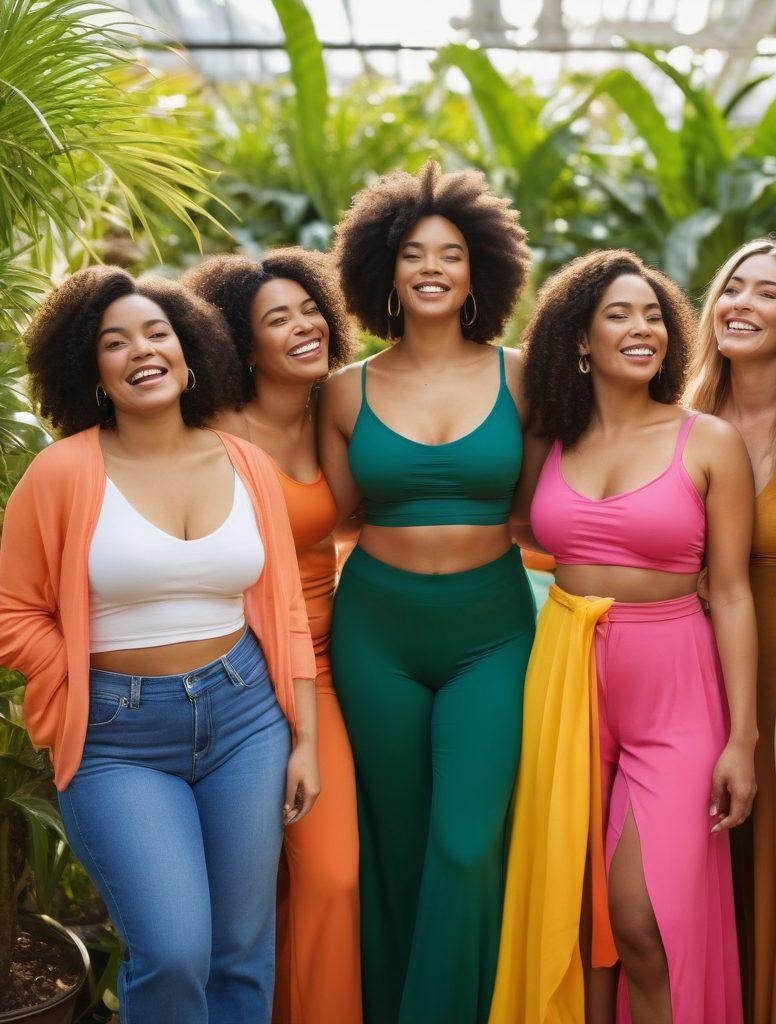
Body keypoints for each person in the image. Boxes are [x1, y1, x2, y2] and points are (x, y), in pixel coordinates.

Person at [0, 268, 319, 1024]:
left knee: (241, 951)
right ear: (94, 369)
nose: (141, 351)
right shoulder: (63, 471)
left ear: (188, 350)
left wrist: (303, 738)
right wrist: (79, 679)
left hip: (246, 720)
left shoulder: (243, 464)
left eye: (157, 333)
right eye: (115, 342)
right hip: (118, 738)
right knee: (174, 951)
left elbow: (285, 611)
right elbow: (12, 611)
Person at [492, 249, 754, 1024]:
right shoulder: (548, 441)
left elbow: (733, 594)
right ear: (579, 339)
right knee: (576, 912)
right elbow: (505, 526)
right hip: (564, 669)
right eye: (619, 315)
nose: (643, 329)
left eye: (653, 316)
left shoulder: (707, 441)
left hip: (673, 679)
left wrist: (743, 739)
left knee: (643, 920)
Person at [318, 161, 536, 1024]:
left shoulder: (525, 379)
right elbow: (327, 518)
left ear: (481, 269)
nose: (433, 267)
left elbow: (549, 511)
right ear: (386, 272)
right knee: (400, 846)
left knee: (466, 845)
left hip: (493, 631)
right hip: (375, 632)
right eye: (414, 253)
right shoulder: (343, 393)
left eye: (451, 252)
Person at [182, 248, 360, 1024]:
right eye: (275, 319)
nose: (303, 326)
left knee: (331, 877)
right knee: (244, 900)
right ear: (240, 346)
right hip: (237, 673)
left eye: (309, 308)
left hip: (329, 666)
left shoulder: (339, 413)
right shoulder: (215, 433)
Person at [686, 238, 776, 1023]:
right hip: (681, 664)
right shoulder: (678, 406)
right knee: (694, 859)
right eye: (732, 287)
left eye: (767, 293)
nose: (740, 303)